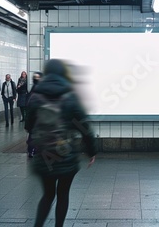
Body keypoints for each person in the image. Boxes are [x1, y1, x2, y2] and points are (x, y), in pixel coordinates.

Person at [25, 59, 97, 227]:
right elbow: (84, 127)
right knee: (63, 195)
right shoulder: (71, 96)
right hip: (66, 156)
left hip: (44, 156)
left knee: (47, 195)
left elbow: (28, 126)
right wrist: (91, 151)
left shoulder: (36, 96)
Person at [25, 71, 43, 158]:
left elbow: (29, 106)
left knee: (32, 135)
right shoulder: (41, 89)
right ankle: (34, 150)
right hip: (39, 117)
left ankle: (31, 151)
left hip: (33, 117)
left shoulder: (33, 88)